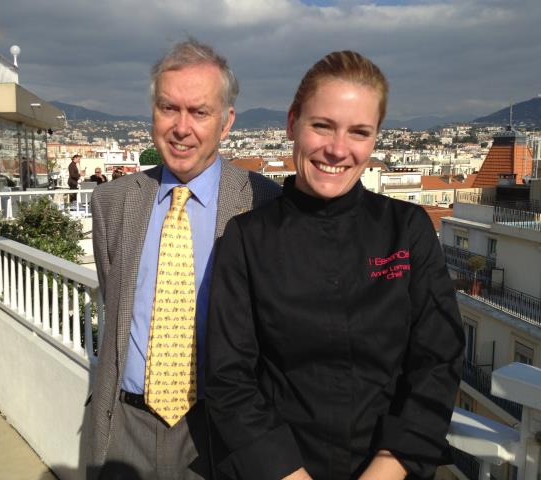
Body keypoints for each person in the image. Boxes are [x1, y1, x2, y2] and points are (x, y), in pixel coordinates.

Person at [205, 51, 464, 480]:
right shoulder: (247, 238)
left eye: (358, 132)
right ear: (293, 124)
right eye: (322, 125)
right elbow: (229, 377)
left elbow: (439, 359)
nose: (337, 149)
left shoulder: (407, 228)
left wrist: (388, 466)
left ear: (375, 139)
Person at [88, 39, 280, 480]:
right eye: (168, 108)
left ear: (227, 122)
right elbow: (114, 296)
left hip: (221, 429)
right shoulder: (112, 202)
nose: (181, 127)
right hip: (125, 426)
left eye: (199, 112)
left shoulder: (264, 203)